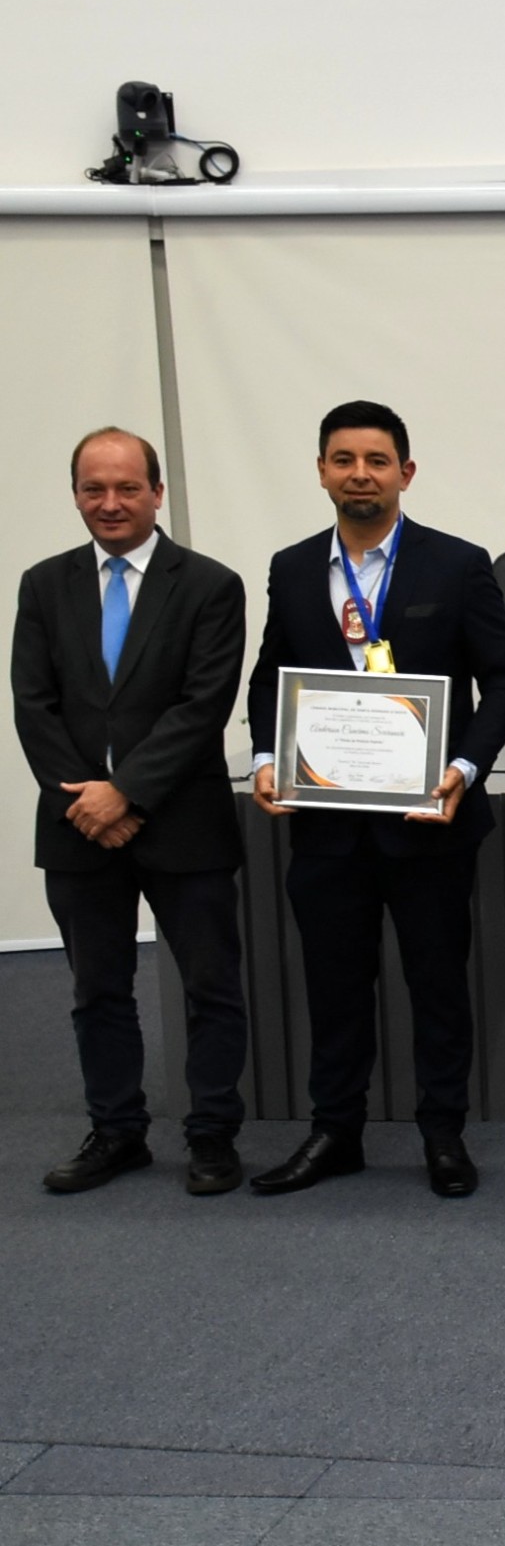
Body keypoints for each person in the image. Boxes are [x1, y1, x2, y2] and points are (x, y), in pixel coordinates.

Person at [244, 402, 505, 1198]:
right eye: (343, 459)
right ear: (322, 470)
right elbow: (273, 672)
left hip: (429, 822)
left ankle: (443, 1134)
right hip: (327, 823)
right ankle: (335, 1132)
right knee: (334, 986)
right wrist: (268, 755)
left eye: (376, 460)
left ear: (406, 472)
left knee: (437, 983)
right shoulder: (293, 567)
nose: (359, 474)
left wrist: (466, 769)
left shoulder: (458, 563)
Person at [13, 428, 250, 1196]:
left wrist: (129, 791)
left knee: (211, 986)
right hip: (79, 826)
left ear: (157, 491)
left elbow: (202, 704)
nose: (109, 503)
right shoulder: (43, 584)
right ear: (76, 493)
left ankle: (212, 1133)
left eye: (125, 487)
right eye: (93, 489)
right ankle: (116, 1131)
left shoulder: (210, 585)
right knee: (97, 990)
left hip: (183, 821)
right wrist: (89, 800)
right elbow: (33, 705)